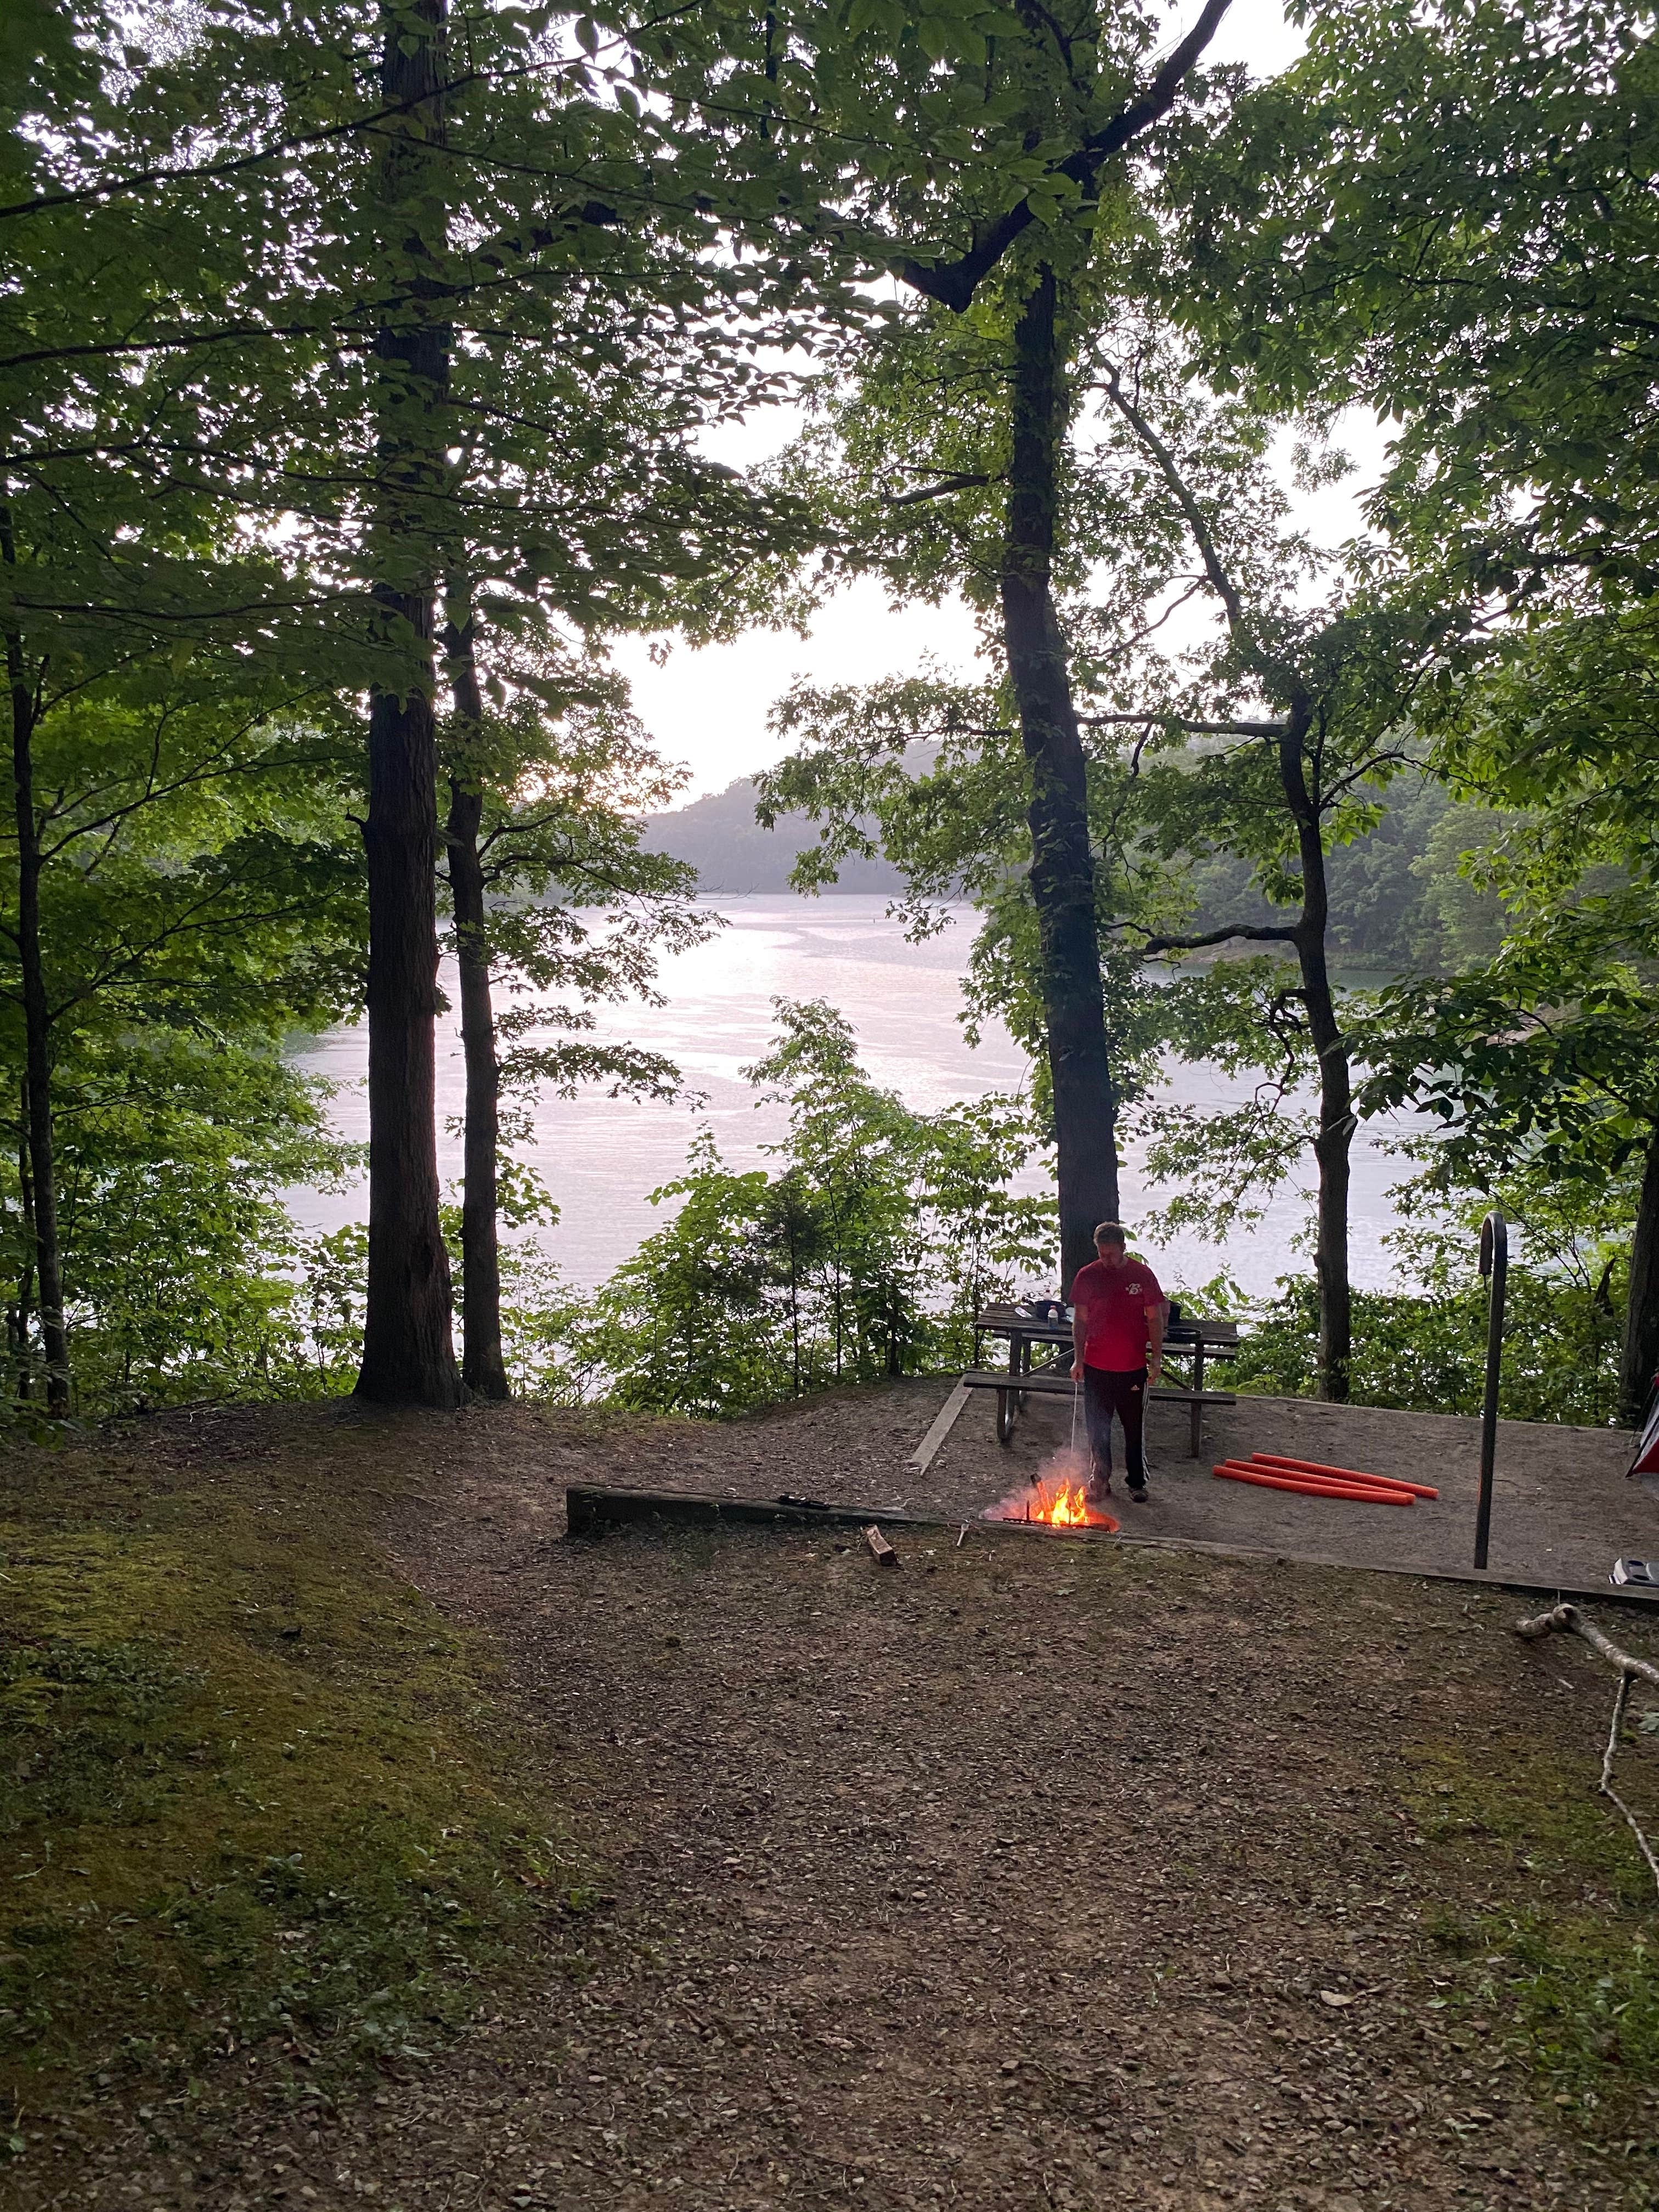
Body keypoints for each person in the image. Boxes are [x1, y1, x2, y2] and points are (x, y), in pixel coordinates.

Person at [1069, 1221, 1164, 1504]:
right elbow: (1080, 1320)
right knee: (1098, 1428)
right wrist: (1078, 1359)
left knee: (1134, 1428)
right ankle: (1100, 1481)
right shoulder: (1088, 1276)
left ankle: (1137, 1482)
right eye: (1101, 1253)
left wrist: (1157, 1358)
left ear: (1123, 1247)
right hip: (1097, 1366)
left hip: (1132, 1367)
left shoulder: (1142, 1275)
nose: (1106, 1259)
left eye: (1111, 1253)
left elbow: (1155, 1318)